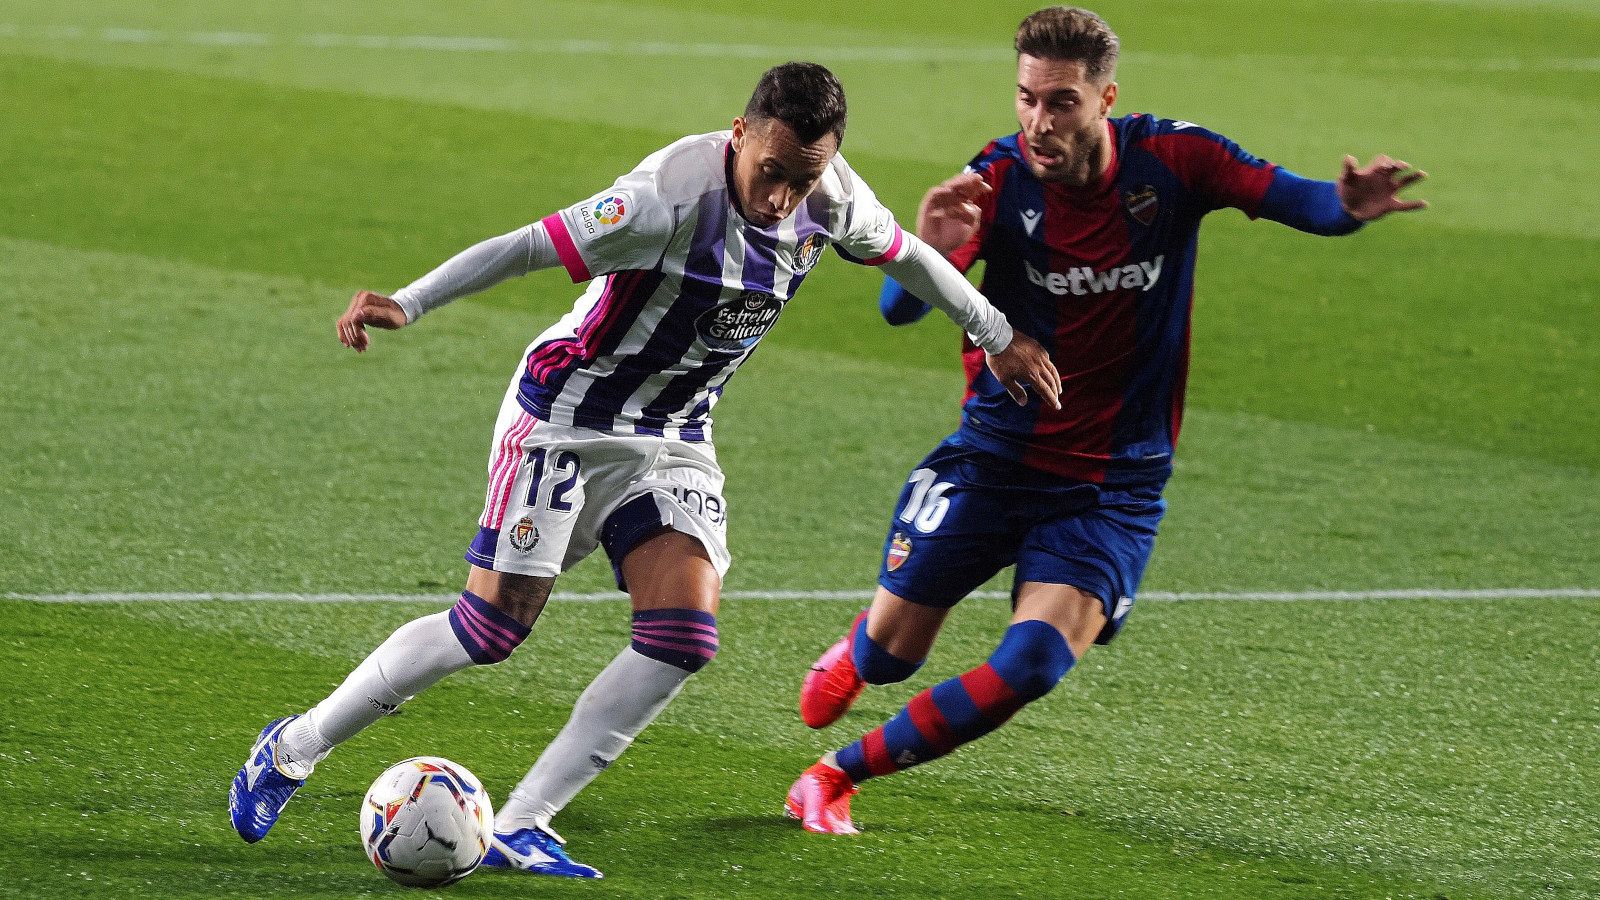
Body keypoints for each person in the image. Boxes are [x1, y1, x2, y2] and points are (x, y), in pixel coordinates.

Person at [227, 62, 1060, 876]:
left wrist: (998, 335)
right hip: (564, 419)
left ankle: (523, 823)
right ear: (741, 135)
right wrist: (407, 301)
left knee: (682, 636)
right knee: (490, 631)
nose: (780, 199)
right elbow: (526, 247)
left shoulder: (830, 195)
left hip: (672, 434)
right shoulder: (665, 196)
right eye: (770, 173)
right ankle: (295, 746)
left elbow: (908, 254)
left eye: (799, 181)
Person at [785, 7, 1427, 835]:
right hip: (994, 458)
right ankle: (858, 651)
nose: (1038, 123)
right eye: (1026, 99)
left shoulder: (1176, 160)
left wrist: (1345, 206)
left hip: (1111, 485)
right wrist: (930, 248)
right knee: (888, 655)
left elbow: (1296, 198)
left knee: (1031, 664)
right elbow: (898, 313)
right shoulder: (996, 179)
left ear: (1105, 99)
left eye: (1060, 103)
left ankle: (838, 775)